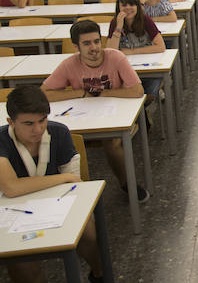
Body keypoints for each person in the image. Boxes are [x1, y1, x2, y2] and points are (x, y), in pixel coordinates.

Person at [0, 85, 124, 283]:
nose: (37, 129)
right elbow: (10, 188)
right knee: (17, 261)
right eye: (28, 124)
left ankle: (98, 275)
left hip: (59, 204)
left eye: (42, 120)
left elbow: (75, 185)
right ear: (10, 121)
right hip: (14, 212)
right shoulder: (1, 140)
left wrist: (65, 180)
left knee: (88, 231)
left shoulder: (58, 133)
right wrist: (62, 177)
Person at [41, 20, 149, 201]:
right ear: (76, 46)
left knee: (112, 142)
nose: (94, 47)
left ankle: (126, 183)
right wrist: (81, 93)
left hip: (115, 116)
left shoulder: (115, 57)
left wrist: (105, 92)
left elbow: (138, 91)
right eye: (87, 43)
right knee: (60, 138)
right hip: (83, 117)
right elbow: (44, 93)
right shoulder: (69, 64)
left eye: (96, 41)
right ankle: (71, 192)